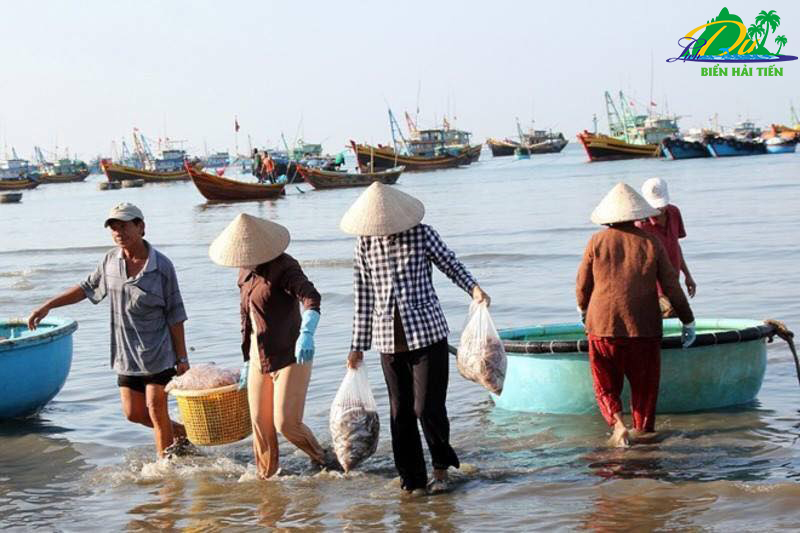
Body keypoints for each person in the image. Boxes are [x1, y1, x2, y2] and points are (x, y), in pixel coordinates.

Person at [340, 182, 490, 495]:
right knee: (400, 413)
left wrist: (473, 288)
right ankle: (412, 480)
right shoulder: (365, 244)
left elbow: (450, 263)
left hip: (427, 334)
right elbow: (363, 296)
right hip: (387, 340)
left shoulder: (422, 234)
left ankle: (441, 469)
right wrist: (357, 345)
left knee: (427, 408)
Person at [27, 202, 191, 458]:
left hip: (159, 354)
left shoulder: (161, 266)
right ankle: (180, 432)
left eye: (124, 226)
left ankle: (166, 477)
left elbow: (176, 314)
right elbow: (85, 288)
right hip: (125, 355)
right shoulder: (109, 261)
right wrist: (48, 305)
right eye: (114, 228)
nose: (118, 232)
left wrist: (182, 358)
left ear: (141, 227)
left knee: (156, 411)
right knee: (133, 413)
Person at [208, 213, 333, 479]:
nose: (241, 258)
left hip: (291, 352)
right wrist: (246, 359)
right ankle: (267, 481)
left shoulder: (284, 267)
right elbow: (246, 318)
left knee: (285, 423)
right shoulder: (243, 272)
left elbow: (311, 297)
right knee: (261, 426)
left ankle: (323, 459)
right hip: (257, 355)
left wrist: (307, 331)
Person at [576, 183, 695, 447]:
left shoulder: (596, 241)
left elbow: (583, 285)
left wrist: (584, 310)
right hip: (644, 329)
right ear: (635, 214)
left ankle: (618, 425)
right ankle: (642, 435)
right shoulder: (651, 242)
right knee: (644, 391)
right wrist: (688, 319)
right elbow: (671, 286)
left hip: (602, 328)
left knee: (605, 385)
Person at [636, 177, 697, 317]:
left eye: (661, 205)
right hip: (653, 287)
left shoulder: (674, 212)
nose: (659, 209)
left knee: (683, 318)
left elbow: (676, 246)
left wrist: (687, 275)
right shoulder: (641, 225)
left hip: (673, 281)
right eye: (655, 206)